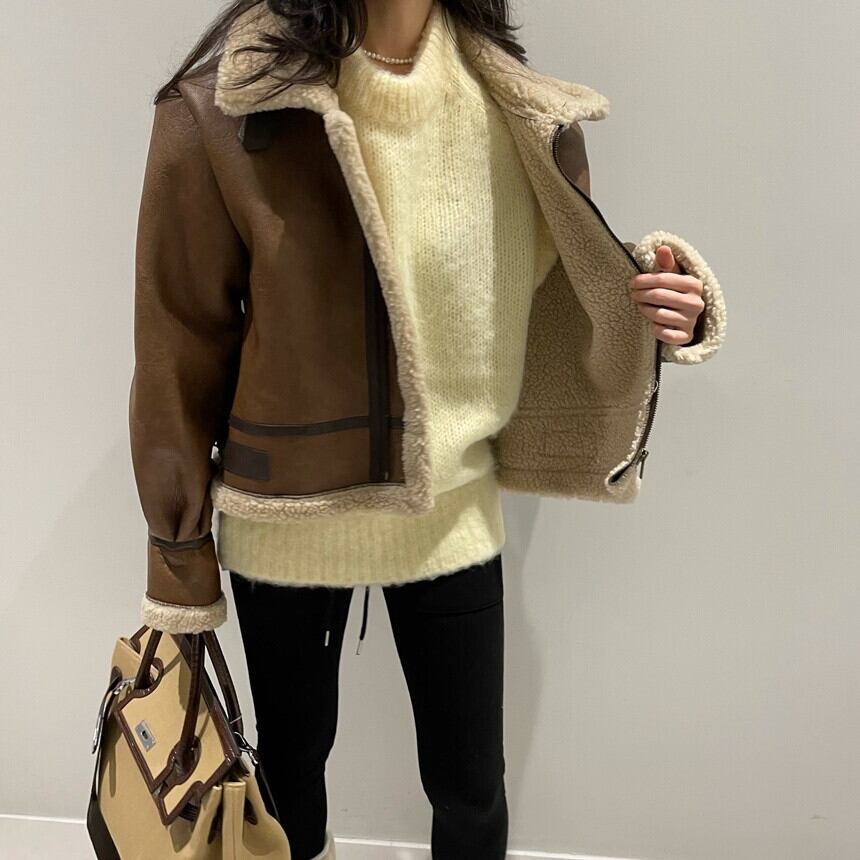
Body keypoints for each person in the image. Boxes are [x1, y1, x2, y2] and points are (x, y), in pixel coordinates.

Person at [129, 1, 727, 857]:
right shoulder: (228, 109)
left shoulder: (518, 110)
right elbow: (180, 344)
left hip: (453, 510)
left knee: (471, 788)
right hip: (287, 515)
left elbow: (552, 293)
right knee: (287, 780)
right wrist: (177, 554)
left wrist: (664, 303)